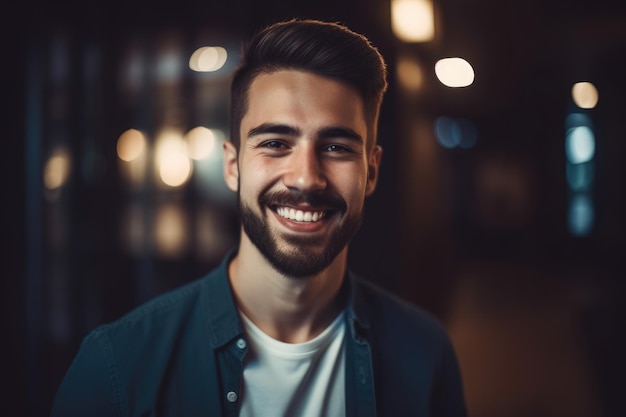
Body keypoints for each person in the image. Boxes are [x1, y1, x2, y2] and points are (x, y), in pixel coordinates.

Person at [51, 19, 467, 417]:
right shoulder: (116, 369)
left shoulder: (424, 355)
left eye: (337, 147)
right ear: (232, 166)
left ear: (371, 172)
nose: (306, 177)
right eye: (275, 143)